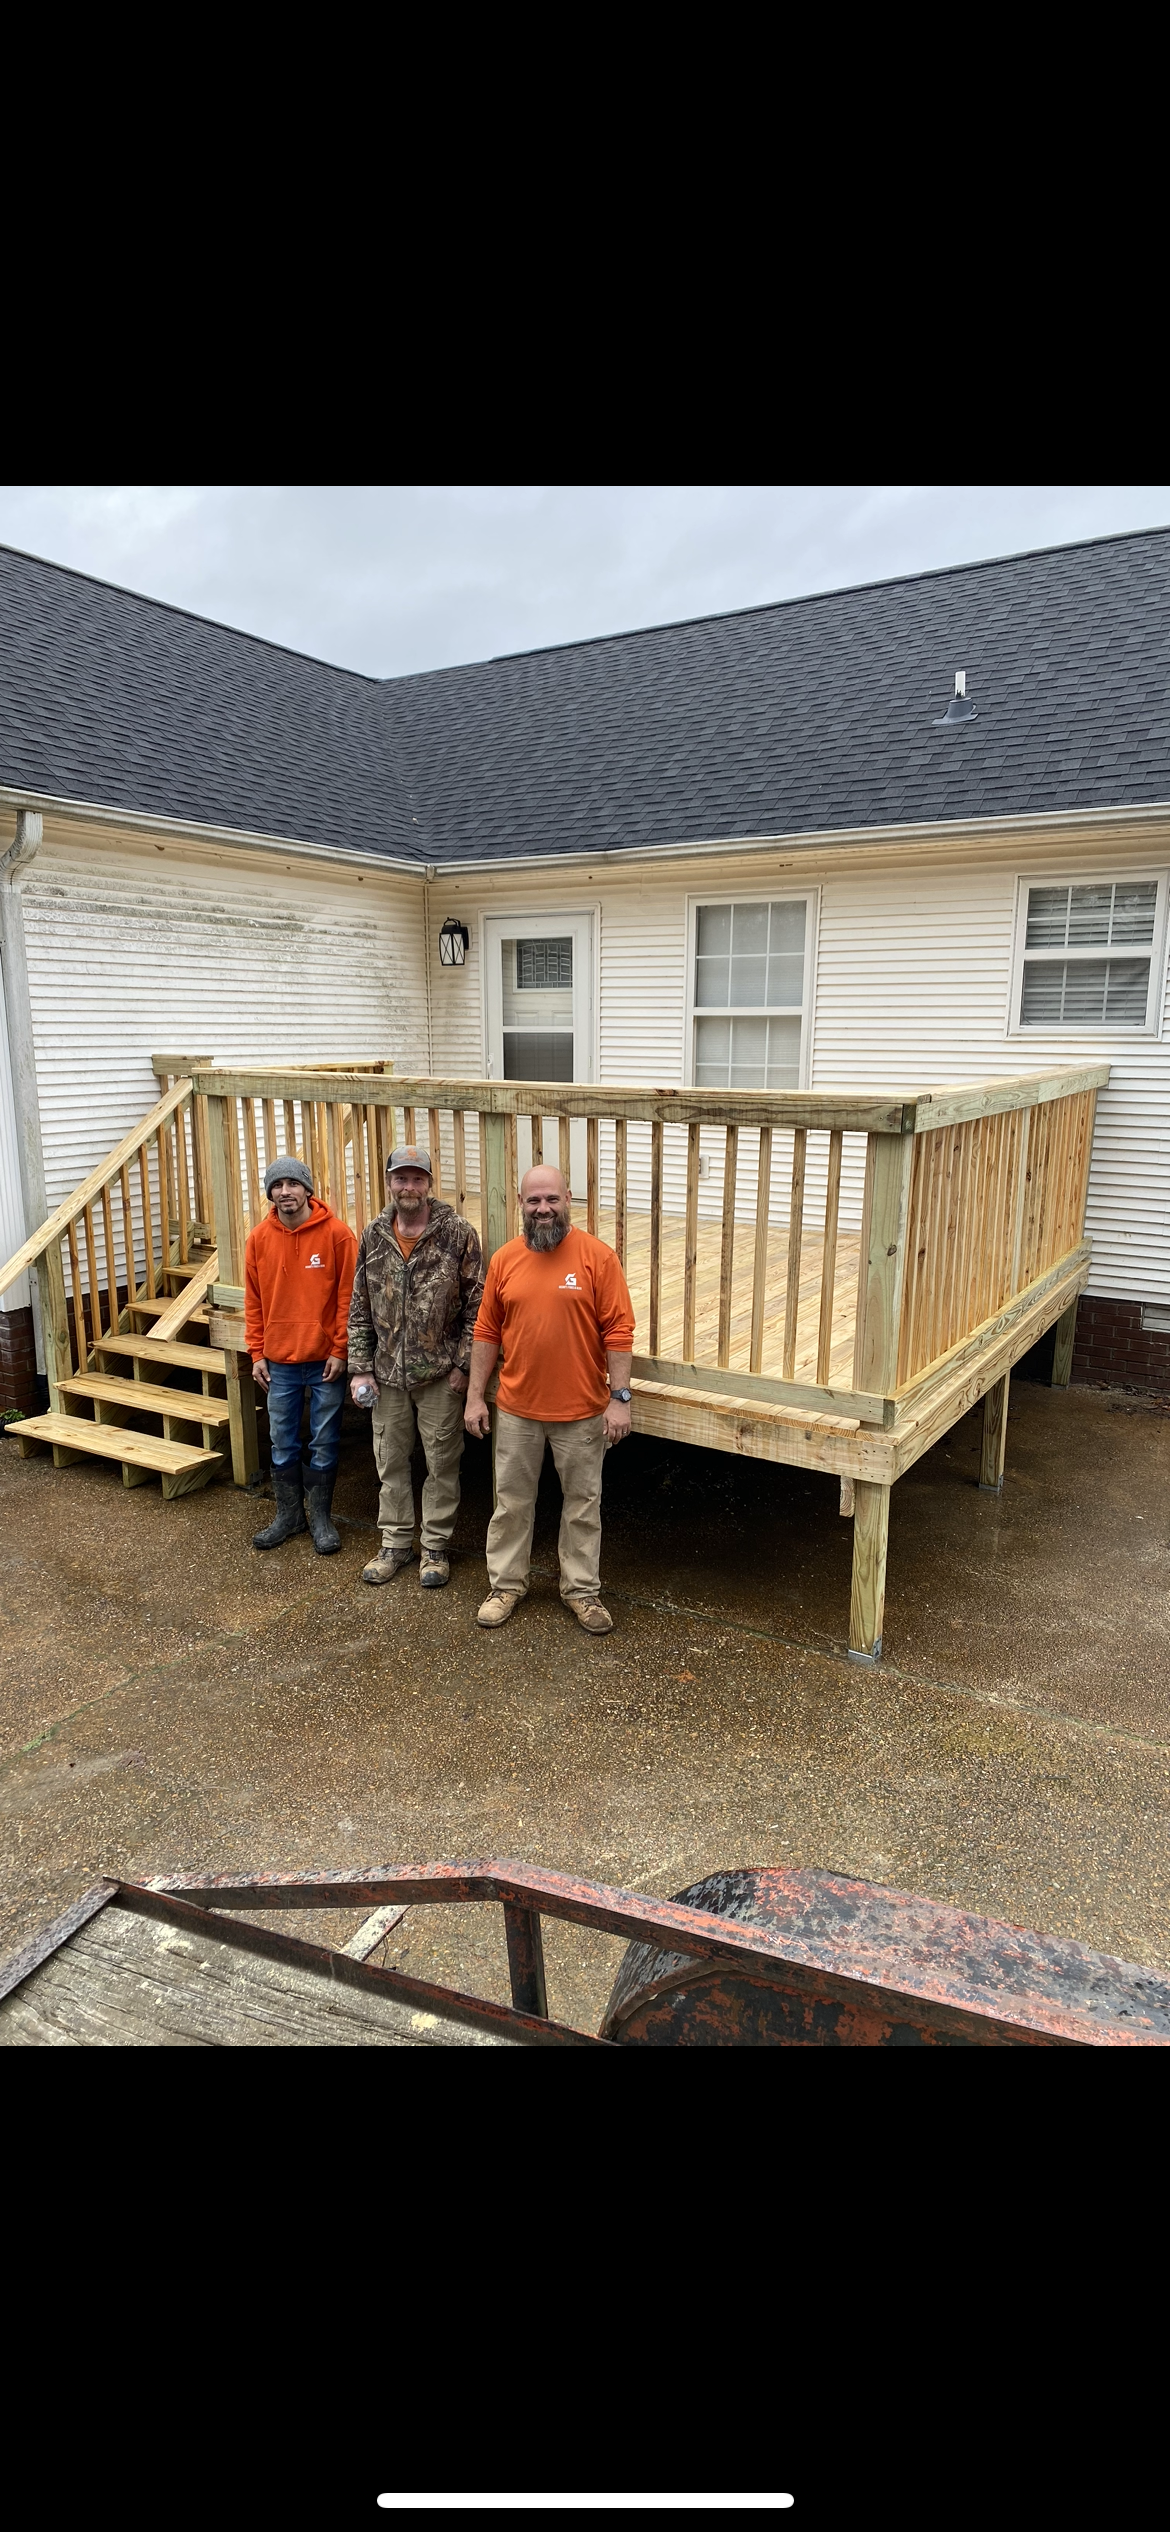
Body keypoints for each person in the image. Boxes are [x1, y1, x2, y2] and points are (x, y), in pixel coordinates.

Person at [464, 1164, 635, 1634]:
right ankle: (505, 1586)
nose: (543, 1209)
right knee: (511, 1503)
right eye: (533, 1201)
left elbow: (619, 1331)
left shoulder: (598, 1258)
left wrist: (619, 1398)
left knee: (582, 1504)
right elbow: (486, 1331)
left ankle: (582, 1591)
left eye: (551, 1199)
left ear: (569, 1199)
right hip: (517, 1409)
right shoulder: (504, 1259)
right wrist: (476, 1397)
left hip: (582, 1411)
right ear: (520, 1204)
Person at [347, 1144, 484, 1588]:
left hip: (440, 1376)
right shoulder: (372, 1235)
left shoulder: (458, 1234)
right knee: (390, 1462)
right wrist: (360, 1367)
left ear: (429, 1183)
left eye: (417, 1178)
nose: (409, 1186)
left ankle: (435, 1549)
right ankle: (395, 1544)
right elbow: (360, 1306)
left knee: (442, 1465)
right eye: (401, 1178)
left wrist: (463, 1365)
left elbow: (476, 1308)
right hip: (385, 1376)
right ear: (389, 1183)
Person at [247, 1155, 358, 1555]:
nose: (285, 1192)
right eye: (277, 1186)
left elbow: (349, 1298)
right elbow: (254, 1300)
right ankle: (289, 1516)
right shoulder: (259, 1238)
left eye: (293, 1184)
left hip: (325, 1361)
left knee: (324, 1440)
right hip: (279, 1362)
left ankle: (321, 1518)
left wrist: (341, 1348)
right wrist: (256, 1351)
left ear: (308, 1190)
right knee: (282, 1441)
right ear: (270, 1193)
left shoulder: (337, 1235)